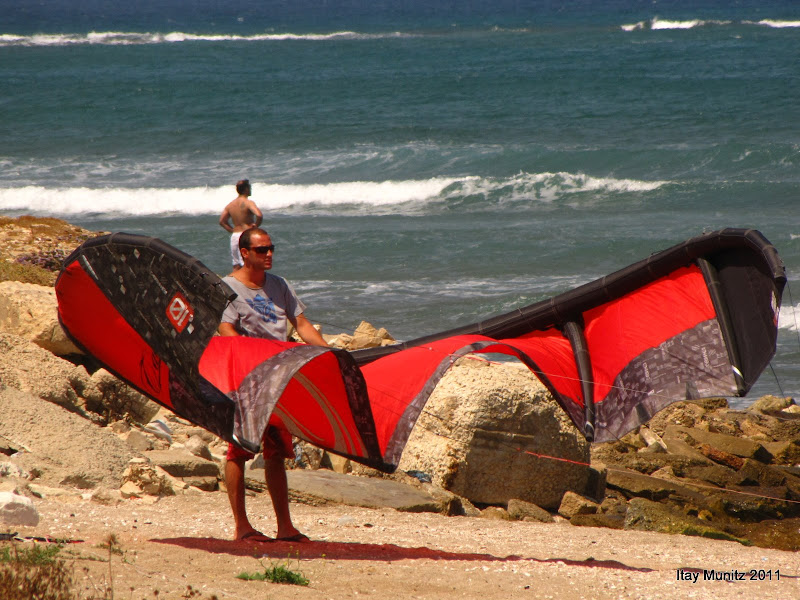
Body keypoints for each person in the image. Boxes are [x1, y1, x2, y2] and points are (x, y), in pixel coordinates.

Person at [218, 227, 328, 543]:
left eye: (271, 248)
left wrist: (328, 354)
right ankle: (242, 527)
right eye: (262, 250)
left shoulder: (279, 286)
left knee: (276, 453)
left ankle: (285, 527)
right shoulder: (229, 288)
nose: (269, 254)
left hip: (280, 379)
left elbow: (302, 325)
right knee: (238, 452)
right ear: (245, 253)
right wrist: (249, 359)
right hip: (248, 382)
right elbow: (225, 328)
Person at [219, 179, 263, 270]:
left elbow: (222, 221)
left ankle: (233, 283)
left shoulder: (230, 205)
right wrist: (255, 226)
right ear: (246, 189)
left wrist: (232, 230)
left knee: (236, 264)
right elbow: (259, 215)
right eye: (249, 187)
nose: (250, 189)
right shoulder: (248, 202)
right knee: (246, 263)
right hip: (245, 235)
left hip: (235, 236)